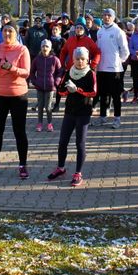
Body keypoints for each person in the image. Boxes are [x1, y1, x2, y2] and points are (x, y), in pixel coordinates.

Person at [0, 21, 31, 179]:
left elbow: (26, 72)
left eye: (10, 31)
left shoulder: (22, 50)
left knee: (19, 132)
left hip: (18, 96)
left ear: (16, 33)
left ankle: (22, 165)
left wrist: (12, 68)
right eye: (5, 31)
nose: (7, 34)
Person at [47, 47, 97, 186]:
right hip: (69, 111)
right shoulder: (69, 72)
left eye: (82, 59)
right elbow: (61, 91)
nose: (80, 62)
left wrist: (78, 90)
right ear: (73, 60)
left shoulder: (90, 73)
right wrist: (67, 90)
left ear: (87, 60)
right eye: (77, 59)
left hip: (84, 112)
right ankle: (61, 168)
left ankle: (78, 173)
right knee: (63, 142)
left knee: (80, 143)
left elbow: (93, 92)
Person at [94, 8, 129, 129]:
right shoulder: (100, 32)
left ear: (113, 17)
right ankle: (103, 116)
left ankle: (117, 118)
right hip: (102, 68)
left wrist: (119, 61)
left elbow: (125, 51)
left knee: (115, 95)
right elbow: (98, 49)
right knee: (103, 94)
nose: (106, 17)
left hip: (115, 70)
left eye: (109, 15)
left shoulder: (118, 32)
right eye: (104, 15)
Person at [29, 39, 62, 132]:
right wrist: (34, 81)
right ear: (41, 48)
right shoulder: (37, 59)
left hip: (50, 87)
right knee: (40, 106)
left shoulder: (55, 59)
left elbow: (59, 72)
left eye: (47, 46)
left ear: (50, 48)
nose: (45, 48)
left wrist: (56, 82)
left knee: (48, 107)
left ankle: (49, 123)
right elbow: (32, 72)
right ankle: (39, 123)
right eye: (43, 46)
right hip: (39, 86)